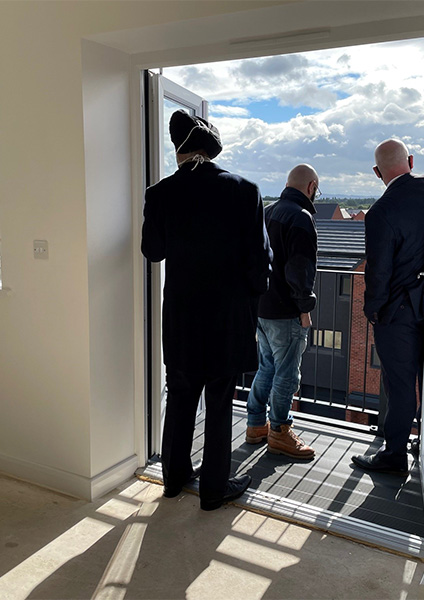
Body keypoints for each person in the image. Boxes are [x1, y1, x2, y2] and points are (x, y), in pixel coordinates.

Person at [141, 110, 272, 511]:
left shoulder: (159, 193)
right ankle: (214, 487)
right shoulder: (244, 189)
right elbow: (259, 260)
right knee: (219, 399)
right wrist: (252, 301)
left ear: (177, 149)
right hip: (226, 318)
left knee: (180, 396)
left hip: (180, 317)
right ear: (210, 149)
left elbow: (153, 251)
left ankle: (174, 478)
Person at [353, 139, 424, 476]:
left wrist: (373, 311)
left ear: (377, 173)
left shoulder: (382, 211)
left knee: (400, 385)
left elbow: (379, 269)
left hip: (398, 312)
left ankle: (394, 455)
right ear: (411, 161)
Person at [245, 164, 319, 460]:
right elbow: (299, 270)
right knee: (287, 374)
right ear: (311, 187)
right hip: (286, 310)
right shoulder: (301, 218)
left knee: (267, 368)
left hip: (261, 307)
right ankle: (279, 431)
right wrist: (305, 309)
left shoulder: (269, 211)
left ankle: (255, 426)